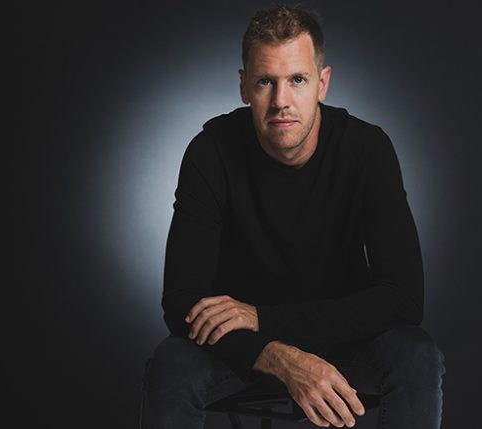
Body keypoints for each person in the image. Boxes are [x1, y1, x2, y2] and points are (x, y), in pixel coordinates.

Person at [141, 4, 445, 428]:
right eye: (265, 81)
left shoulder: (366, 150)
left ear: (322, 83)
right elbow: (181, 301)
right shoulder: (210, 152)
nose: (281, 101)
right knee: (171, 363)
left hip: (343, 337)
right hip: (243, 347)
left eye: (297, 80)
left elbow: (404, 299)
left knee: (417, 355)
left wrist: (265, 318)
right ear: (244, 86)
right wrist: (275, 354)